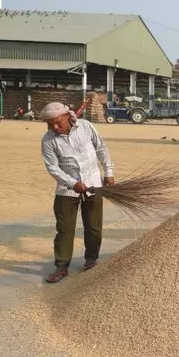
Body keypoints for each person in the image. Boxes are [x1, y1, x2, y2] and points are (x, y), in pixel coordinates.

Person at [41, 102, 114, 283]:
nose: (55, 127)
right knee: (65, 229)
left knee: (93, 225)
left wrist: (109, 172)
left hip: (93, 182)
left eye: (58, 122)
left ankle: (91, 260)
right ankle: (62, 266)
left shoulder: (86, 127)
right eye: (51, 125)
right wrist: (73, 183)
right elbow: (53, 168)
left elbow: (101, 148)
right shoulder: (48, 140)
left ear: (67, 116)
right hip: (67, 190)